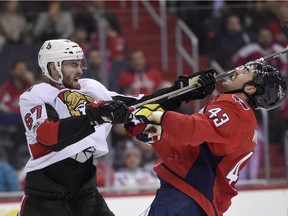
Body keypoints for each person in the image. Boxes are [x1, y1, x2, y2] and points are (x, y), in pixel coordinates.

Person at [17, 39, 216, 216]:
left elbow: (140, 104)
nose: (80, 70)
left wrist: (183, 91)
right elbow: (49, 136)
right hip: (45, 198)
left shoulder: (90, 88)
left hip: (85, 193)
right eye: (72, 65)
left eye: (80, 64)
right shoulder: (34, 96)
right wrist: (94, 118)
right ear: (53, 67)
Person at [127, 62, 287, 216]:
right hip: (195, 200)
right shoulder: (244, 120)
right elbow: (189, 150)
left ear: (250, 88)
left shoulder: (235, 107)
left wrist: (155, 115)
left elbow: (191, 130)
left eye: (245, 72)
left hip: (185, 197)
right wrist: (150, 131)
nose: (237, 70)